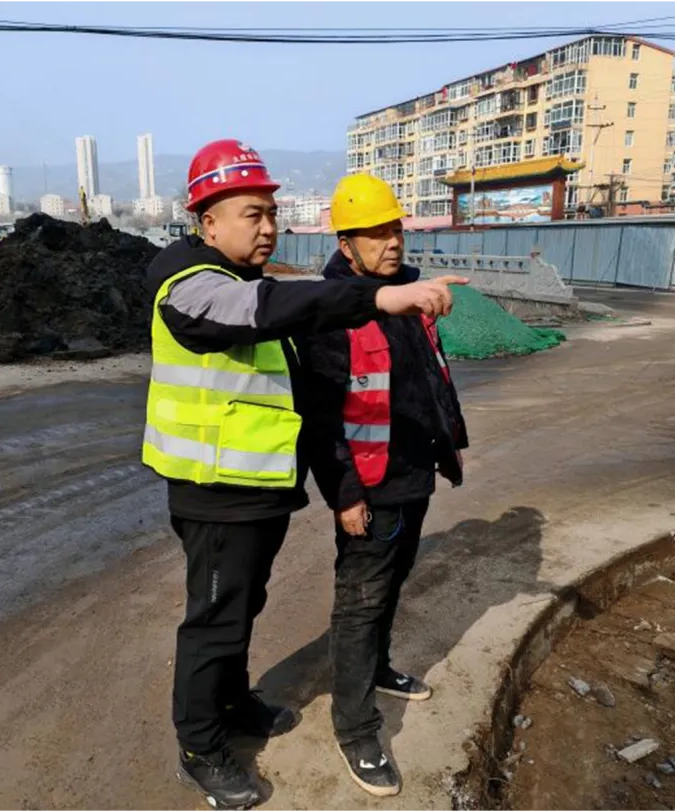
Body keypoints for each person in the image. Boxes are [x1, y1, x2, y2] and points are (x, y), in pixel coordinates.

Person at [142, 139, 467, 810]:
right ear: (207, 221)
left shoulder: (237, 278)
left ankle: (233, 705)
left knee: (243, 610)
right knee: (214, 624)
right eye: (251, 214)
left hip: (255, 489)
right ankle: (200, 748)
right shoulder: (191, 285)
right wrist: (377, 299)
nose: (267, 228)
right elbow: (269, 311)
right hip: (214, 492)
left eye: (271, 213)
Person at [299, 174, 468, 798]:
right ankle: (356, 729)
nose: (392, 241)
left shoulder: (408, 293)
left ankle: (378, 669)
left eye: (396, 228)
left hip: (412, 473)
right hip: (370, 486)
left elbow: (427, 380)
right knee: (360, 601)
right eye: (376, 233)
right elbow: (323, 418)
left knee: (392, 584)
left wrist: (445, 443)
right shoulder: (330, 312)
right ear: (346, 245)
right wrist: (345, 494)